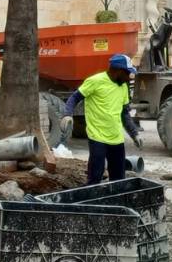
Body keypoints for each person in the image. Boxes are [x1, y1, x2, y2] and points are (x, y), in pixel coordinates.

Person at [61, 54, 143, 186]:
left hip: (116, 139)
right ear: (117, 71)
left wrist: (134, 134)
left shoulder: (123, 87)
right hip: (97, 137)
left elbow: (124, 113)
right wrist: (67, 114)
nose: (129, 77)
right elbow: (74, 98)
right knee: (95, 177)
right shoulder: (95, 81)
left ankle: (114, 203)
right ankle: (92, 203)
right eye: (127, 73)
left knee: (118, 178)